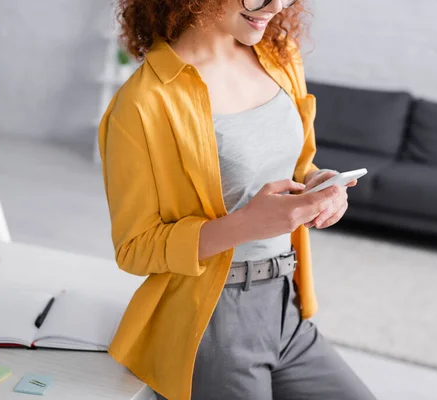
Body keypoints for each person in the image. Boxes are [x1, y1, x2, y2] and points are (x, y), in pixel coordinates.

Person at [98, 0, 377, 399]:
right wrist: (246, 224)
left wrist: (320, 184)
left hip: (286, 306)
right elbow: (135, 248)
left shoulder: (279, 57)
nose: (275, 6)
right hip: (213, 321)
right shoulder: (144, 101)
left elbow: (298, 165)